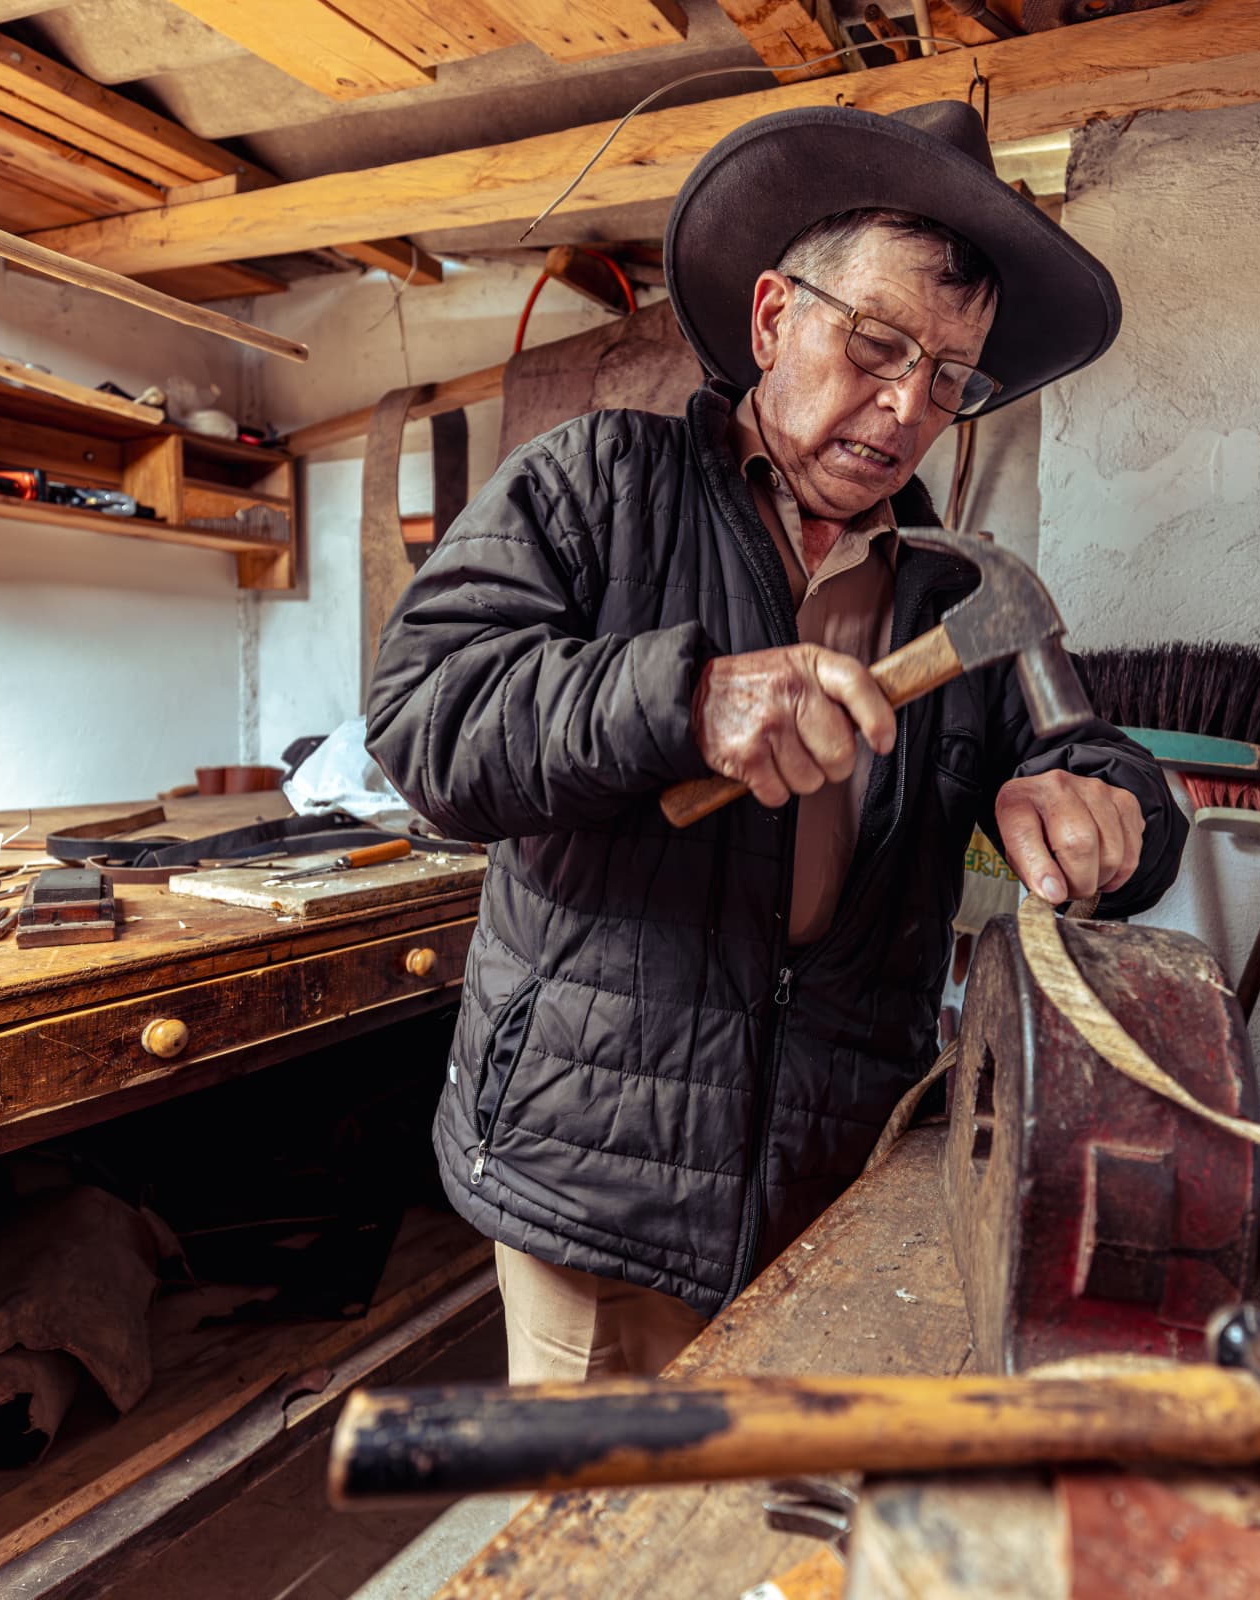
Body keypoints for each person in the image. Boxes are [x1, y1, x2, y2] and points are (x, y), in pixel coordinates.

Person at [365, 100, 1187, 1382]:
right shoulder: (594, 486)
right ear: (771, 319)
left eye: (950, 379)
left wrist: (1104, 811)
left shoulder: (960, 592)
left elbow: (1095, 753)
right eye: (875, 344)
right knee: (596, 1556)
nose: (908, 406)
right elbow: (427, 720)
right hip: (600, 1181)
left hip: (835, 1168)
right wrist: (684, 702)